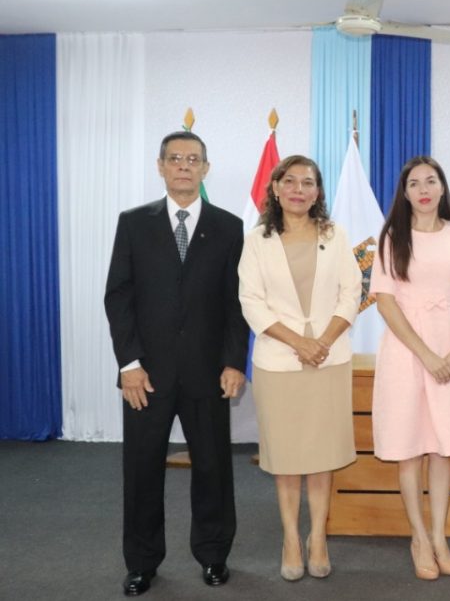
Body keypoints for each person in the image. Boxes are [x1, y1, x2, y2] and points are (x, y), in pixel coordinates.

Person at [104, 131, 249, 596]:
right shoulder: (133, 223)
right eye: (175, 159)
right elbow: (119, 296)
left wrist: (233, 362)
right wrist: (129, 364)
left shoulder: (229, 227)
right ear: (160, 166)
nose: (184, 166)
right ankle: (142, 563)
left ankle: (213, 555)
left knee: (213, 468)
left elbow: (235, 303)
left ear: (206, 168)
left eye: (193, 159)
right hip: (146, 374)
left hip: (208, 372)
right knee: (142, 468)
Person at [237, 155, 361, 581]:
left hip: (329, 359)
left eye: (308, 183)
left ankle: (318, 537)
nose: (299, 189)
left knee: (322, 455)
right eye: (290, 181)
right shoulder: (257, 240)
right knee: (287, 457)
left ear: (318, 192)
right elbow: (251, 301)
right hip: (278, 362)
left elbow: (351, 293)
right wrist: (299, 343)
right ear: (275, 188)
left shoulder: (335, 234)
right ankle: (291, 537)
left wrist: (322, 342)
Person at [370, 156, 450, 581]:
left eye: (430, 181)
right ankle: (417, 536)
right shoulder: (391, 237)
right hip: (406, 350)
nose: (423, 188)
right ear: (404, 192)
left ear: (441, 188)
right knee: (410, 447)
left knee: (441, 447)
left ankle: (439, 536)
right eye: (414, 182)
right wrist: (427, 355)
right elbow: (385, 302)